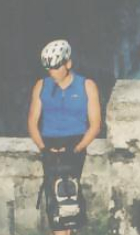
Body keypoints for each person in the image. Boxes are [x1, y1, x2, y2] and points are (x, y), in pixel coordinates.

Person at [28, 39, 101, 235]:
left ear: (68, 63)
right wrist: (44, 149)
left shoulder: (87, 85)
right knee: (56, 202)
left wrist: (75, 149)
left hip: (75, 143)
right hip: (49, 144)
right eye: (49, 68)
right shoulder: (41, 85)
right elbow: (32, 122)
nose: (52, 72)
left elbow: (95, 125)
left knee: (68, 200)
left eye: (56, 67)